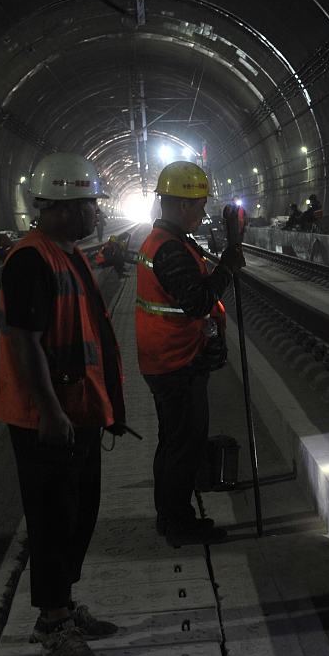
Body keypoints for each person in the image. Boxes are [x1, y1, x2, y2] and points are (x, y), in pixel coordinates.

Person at [0, 152, 126, 656]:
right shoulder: (30, 258)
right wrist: (50, 411)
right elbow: (23, 342)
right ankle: (52, 623)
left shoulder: (66, 252)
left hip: (79, 410)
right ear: (62, 208)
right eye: (89, 203)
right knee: (53, 522)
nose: (96, 211)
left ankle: (64, 607)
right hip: (47, 418)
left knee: (79, 516)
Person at [136, 161, 244, 547]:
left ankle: (169, 516)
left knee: (173, 441)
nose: (202, 212)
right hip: (175, 361)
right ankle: (179, 522)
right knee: (184, 443)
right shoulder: (170, 250)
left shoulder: (168, 241)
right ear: (181, 205)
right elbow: (197, 302)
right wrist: (228, 267)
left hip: (168, 357)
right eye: (199, 206)